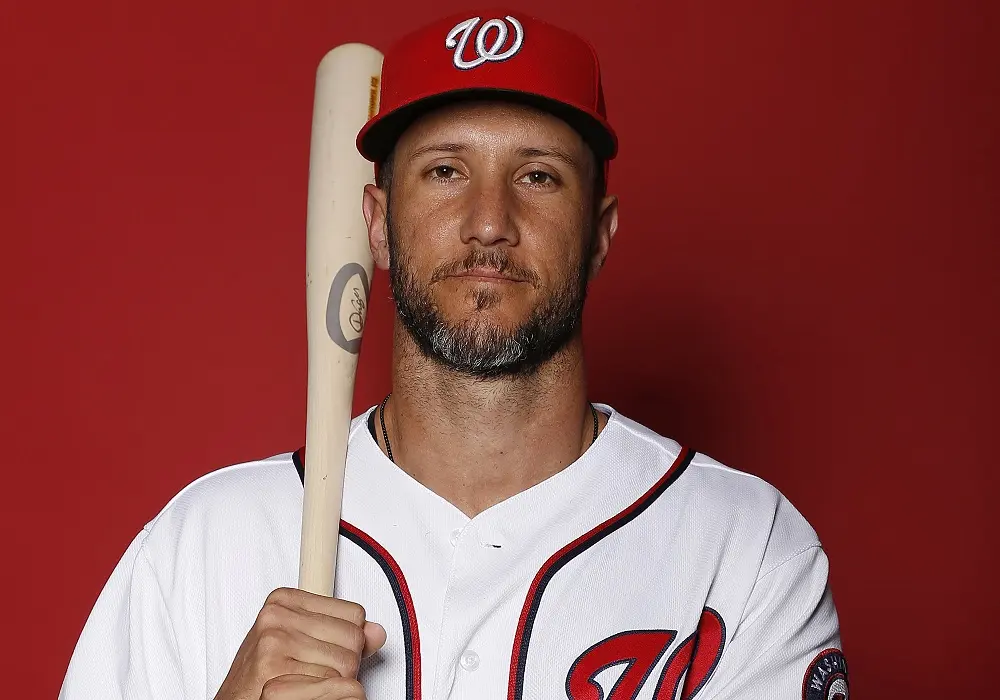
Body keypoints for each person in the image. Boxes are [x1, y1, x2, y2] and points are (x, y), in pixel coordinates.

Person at [60, 9, 849, 700]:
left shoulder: (745, 551)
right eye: (445, 171)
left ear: (601, 233)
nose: (488, 221)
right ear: (374, 222)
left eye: (538, 176)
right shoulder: (204, 544)